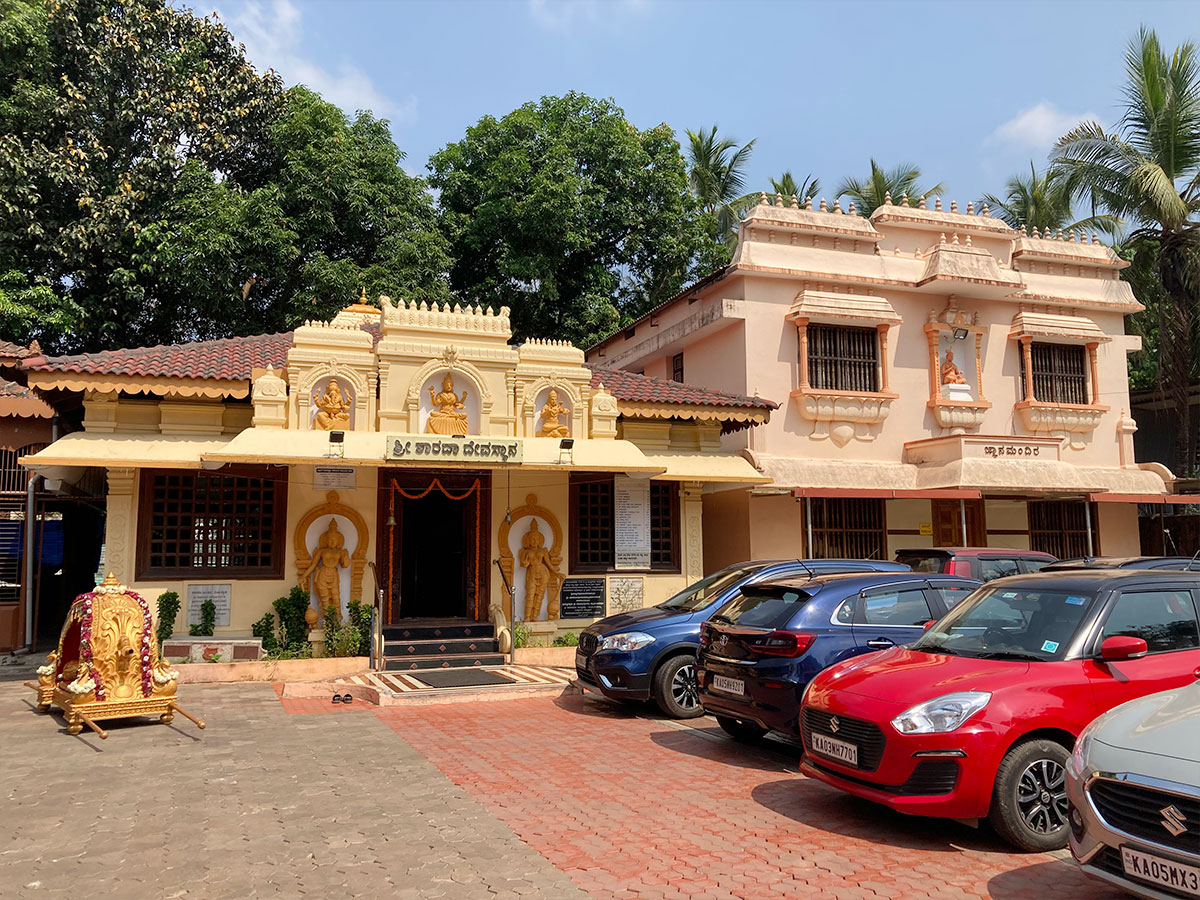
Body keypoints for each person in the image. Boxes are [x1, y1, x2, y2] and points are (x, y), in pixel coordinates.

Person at [299, 519, 351, 624]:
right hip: (322, 575)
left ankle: (336, 623)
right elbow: (314, 564)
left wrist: (346, 556)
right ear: (326, 539)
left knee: (336, 598)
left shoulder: (340, 551)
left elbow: (345, 565)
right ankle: (326, 623)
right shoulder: (322, 551)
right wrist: (304, 576)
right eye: (330, 538)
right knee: (325, 600)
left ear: (338, 540)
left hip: (334, 576)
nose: (332, 541)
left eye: (334, 539)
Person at [519, 519, 562, 620]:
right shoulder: (526, 551)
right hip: (532, 573)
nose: (534, 541)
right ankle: (527, 617)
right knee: (530, 595)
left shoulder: (542, 551)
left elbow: (549, 564)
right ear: (528, 540)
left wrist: (557, 573)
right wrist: (525, 563)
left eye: (536, 539)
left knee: (539, 596)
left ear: (539, 540)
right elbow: (524, 564)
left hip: (543, 573)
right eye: (532, 539)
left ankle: (535, 616)